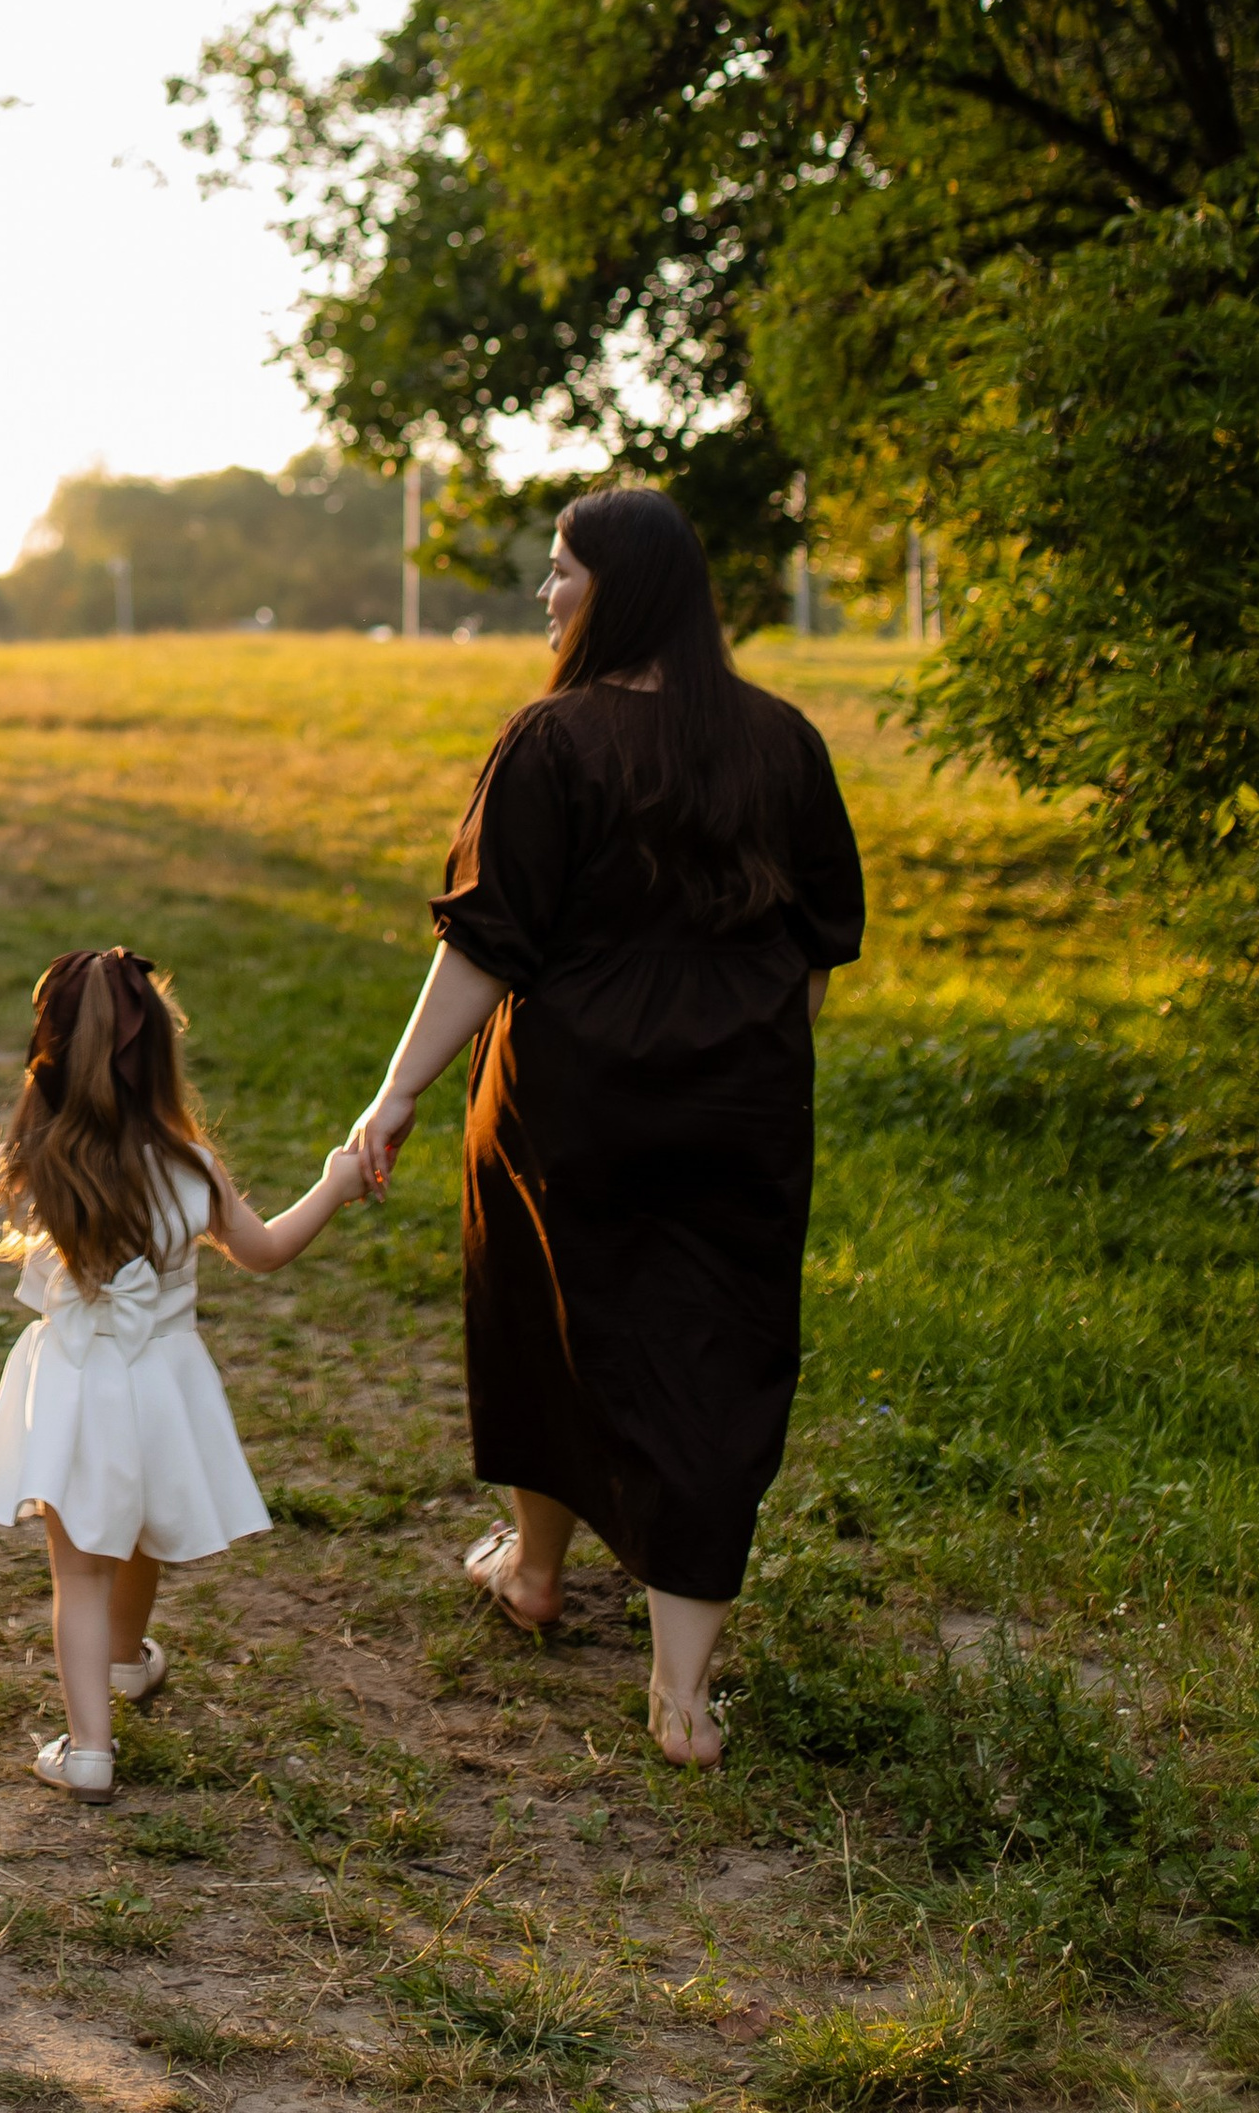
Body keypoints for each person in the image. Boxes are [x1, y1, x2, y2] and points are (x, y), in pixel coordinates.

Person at [346, 485, 866, 1769]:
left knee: (544, 1320)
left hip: (565, 1101)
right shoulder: (780, 741)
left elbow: (485, 942)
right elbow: (817, 945)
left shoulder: (553, 740)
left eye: (562, 568)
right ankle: (681, 1703)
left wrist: (398, 1088)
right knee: (713, 1359)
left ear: (614, 590)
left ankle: (533, 1571)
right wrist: (749, 1048)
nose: (546, 591)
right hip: (740, 1105)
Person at [0, 945, 364, 1803]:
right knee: (136, 1532)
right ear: (162, 1055)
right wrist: (335, 1182)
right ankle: (125, 1662)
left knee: (81, 1567)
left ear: (49, 1050)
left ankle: (91, 1744)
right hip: (164, 1387)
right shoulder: (193, 1167)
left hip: (76, 1385)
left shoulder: (41, 1152)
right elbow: (267, 1250)